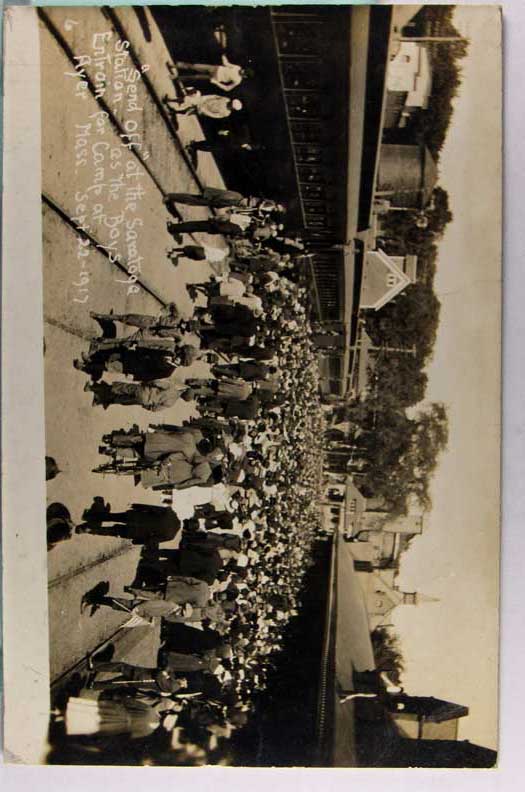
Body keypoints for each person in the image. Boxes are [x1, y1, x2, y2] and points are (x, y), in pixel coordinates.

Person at [77, 501, 181, 544]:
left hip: (135, 517)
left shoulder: (170, 513)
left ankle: (89, 516)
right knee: (111, 531)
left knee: (112, 516)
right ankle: (88, 530)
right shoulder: (170, 535)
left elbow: (150, 508)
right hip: (135, 532)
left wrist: (136, 505)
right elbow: (152, 540)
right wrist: (137, 541)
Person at [85, 380, 194, 412]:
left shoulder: (172, 388)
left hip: (144, 391)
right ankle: (98, 401)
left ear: (184, 390)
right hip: (144, 401)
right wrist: (145, 404)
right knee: (122, 399)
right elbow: (155, 409)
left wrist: (146, 383)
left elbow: (156, 383)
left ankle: (91, 388)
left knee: (120, 388)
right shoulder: (171, 403)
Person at [170, 56, 248, 92]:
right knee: (194, 66)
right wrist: (224, 57)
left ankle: (176, 78)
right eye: (244, 70)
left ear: (245, 76)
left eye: (244, 73)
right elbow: (226, 64)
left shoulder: (238, 81)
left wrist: (216, 83)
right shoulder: (238, 67)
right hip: (215, 68)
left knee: (195, 77)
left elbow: (227, 88)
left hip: (214, 78)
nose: (242, 71)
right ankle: (174, 65)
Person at [164, 91, 243, 120]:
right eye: (231, 102)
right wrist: (204, 98)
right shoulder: (226, 99)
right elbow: (214, 96)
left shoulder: (226, 113)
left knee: (188, 111)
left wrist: (204, 111)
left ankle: (174, 112)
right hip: (204, 101)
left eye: (232, 105)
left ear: (233, 108)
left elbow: (214, 115)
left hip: (204, 110)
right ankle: (169, 100)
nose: (230, 104)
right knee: (187, 99)